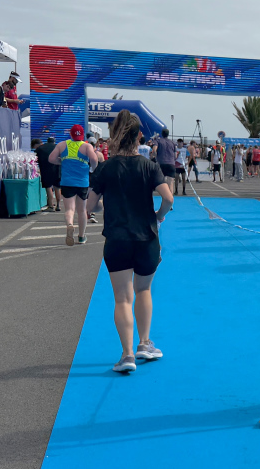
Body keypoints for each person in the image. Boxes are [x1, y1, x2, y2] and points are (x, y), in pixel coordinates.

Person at [86, 112, 173, 373]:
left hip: (117, 239)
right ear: (139, 137)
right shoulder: (149, 166)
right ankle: (145, 343)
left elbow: (90, 206)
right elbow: (168, 198)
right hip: (147, 238)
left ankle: (127, 355)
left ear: (114, 136)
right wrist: (159, 216)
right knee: (143, 290)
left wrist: (104, 207)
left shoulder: (105, 168)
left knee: (122, 298)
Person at [48, 125, 98, 245]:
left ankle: (70, 224)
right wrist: (92, 168)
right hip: (82, 182)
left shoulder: (62, 145)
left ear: (71, 134)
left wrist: (61, 161)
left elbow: (51, 159)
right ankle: (81, 236)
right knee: (82, 210)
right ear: (82, 134)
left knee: (69, 209)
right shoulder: (86, 146)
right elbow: (94, 160)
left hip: (67, 182)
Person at [35, 136, 62, 211]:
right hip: (57, 170)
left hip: (45, 170)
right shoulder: (59, 147)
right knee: (57, 188)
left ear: (47, 141)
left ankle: (50, 206)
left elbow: (36, 159)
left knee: (48, 188)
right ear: (54, 141)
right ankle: (58, 205)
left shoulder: (40, 148)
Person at [153, 127, 176, 192]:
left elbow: (154, 150)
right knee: (170, 183)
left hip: (161, 163)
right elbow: (175, 155)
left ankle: (164, 195)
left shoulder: (158, 141)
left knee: (161, 183)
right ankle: (170, 197)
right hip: (171, 164)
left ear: (161, 134)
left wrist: (155, 157)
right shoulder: (172, 142)